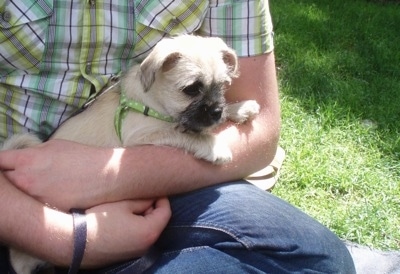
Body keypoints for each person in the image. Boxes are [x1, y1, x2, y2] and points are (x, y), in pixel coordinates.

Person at [0, 0, 396, 273]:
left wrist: (111, 178)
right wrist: (66, 239)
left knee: (315, 259)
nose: (213, 105)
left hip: (163, 177)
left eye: (218, 89)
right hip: (14, 192)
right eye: (192, 90)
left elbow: (261, 129)